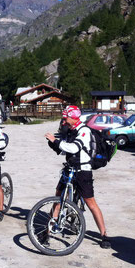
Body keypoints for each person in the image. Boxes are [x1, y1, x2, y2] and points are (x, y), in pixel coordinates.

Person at [44, 105, 111, 249]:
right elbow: (65, 150)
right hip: (69, 169)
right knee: (58, 199)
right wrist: (53, 144)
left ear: (74, 117)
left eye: (65, 118)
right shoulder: (70, 131)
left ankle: (104, 235)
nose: (64, 121)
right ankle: (47, 232)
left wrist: (56, 141)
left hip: (83, 171)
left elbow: (74, 148)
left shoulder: (84, 131)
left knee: (90, 203)